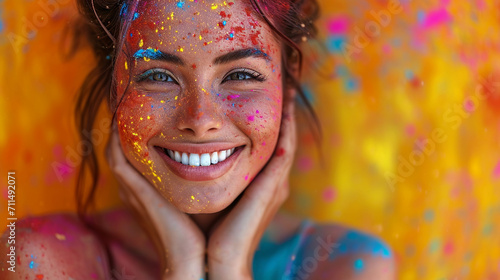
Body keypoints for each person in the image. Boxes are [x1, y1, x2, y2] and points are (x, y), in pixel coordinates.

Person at [1, 0, 396, 279]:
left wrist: (229, 267)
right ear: (112, 91)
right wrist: (182, 267)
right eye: (157, 76)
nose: (200, 120)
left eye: (241, 75)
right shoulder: (40, 260)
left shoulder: (346, 267)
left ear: (287, 83)